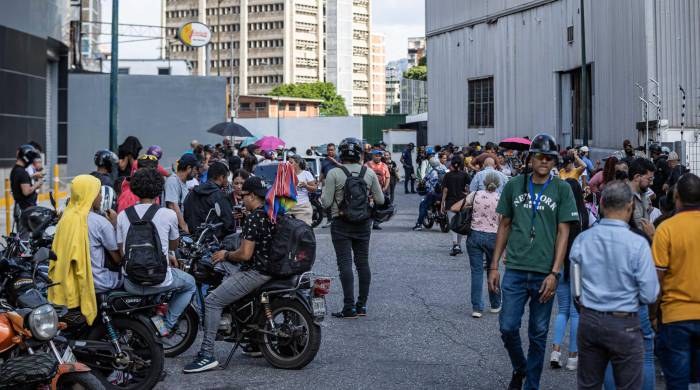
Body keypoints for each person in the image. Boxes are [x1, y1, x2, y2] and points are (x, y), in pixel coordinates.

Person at [487, 134, 579, 390]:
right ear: (530, 158)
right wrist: (493, 266)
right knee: (507, 327)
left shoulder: (562, 188)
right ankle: (520, 366)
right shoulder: (515, 185)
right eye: (539, 156)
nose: (544, 161)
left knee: (538, 335)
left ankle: (532, 385)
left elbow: (564, 232)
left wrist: (555, 272)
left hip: (543, 274)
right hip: (515, 269)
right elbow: (503, 224)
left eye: (550, 158)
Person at [570, 181, 659, 389]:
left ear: (601, 204)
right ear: (630, 206)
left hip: (589, 318)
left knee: (588, 383)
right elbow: (650, 293)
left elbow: (576, 288)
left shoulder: (583, 240)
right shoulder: (638, 243)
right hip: (624, 321)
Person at [183, 176, 275, 373]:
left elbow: (245, 254)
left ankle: (207, 354)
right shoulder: (270, 212)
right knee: (225, 274)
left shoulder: (254, 218)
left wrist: (225, 254)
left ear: (252, 195)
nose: (241, 200)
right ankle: (253, 341)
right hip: (270, 268)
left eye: (243, 196)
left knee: (213, 301)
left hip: (257, 272)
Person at [117, 168, 196, 336]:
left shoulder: (123, 215)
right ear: (159, 189)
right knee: (190, 284)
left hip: (132, 282)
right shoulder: (168, 214)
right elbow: (173, 246)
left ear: (135, 188)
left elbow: (122, 249)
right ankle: (166, 324)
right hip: (160, 280)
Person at [320, 138, 384, 318]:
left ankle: (349, 307)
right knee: (362, 263)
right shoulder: (369, 172)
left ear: (342, 153)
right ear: (359, 154)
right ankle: (362, 306)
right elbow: (380, 200)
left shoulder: (334, 173)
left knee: (345, 263)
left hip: (340, 223)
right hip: (363, 223)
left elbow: (325, 201)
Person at [652, 173, 700, 389]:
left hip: (675, 316)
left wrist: (653, 314)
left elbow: (657, 279)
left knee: (677, 382)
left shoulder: (666, 229)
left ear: (676, 196)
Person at [48, 175, 104, 325]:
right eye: (98, 192)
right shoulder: (91, 221)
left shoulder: (66, 217)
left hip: (62, 287)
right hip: (90, 282)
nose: (101, 196)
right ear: (90, 195)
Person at [549, 179, 589, 371]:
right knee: (576, 312)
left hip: (559, 263)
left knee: (562, 310)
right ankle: (573, 356)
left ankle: (555, 351)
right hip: (579, 266)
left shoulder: (558, 211)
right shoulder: (585, 214)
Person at [452, 172, 501, 318]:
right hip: (494, 237)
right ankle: (495, 304)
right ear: (498, 184)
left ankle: (477, 308)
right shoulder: (501, 198)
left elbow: (454, 208)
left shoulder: (475, 195)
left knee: (476, 272)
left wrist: (469, 208)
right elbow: (505, 221)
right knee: (493, 269)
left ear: (484, 182)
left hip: (474, 236)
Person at [183, 161, 235, 238]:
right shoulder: (219, 196)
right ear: (221, 177)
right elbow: (229, 224)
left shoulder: (192, 192)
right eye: (226, 177)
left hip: (193, 240)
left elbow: (186, 215)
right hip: (215, 243)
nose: (227, 181)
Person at [87, 182, 122, 293]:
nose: (101, 197)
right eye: (98, 193)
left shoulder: (65, 219)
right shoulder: (100, 222)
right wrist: (115, 225)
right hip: (99, 281)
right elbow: (118, 259)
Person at [442, 156, 471, 255]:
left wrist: (442, 203)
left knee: (452, 224)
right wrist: (467, 193)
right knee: (460, 224)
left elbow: (445, 190)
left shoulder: (447, 175)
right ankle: (458, 244)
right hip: (462, 202)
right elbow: (470, 185)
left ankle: (455, 245)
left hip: (450, 202)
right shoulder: (464, 174)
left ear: (452, 164)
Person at [165, 153, 199, 233]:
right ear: (188, 168)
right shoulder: (173, 181)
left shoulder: (184, 183)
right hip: (176, 231)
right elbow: (173, 205)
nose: (196, 172)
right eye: (195, 169)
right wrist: (185, 227)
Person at [412, 158, 445, 231]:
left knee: (423, 206)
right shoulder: (444, 169)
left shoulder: (431, 172)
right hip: (444, 193)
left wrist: (421, 184)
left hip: (432, 194)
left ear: (431, 164)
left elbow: (424, 180)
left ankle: (419, 224)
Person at [10, 144, 43, 213]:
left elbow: (20, 181)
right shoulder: (22, 172)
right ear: (26, 158)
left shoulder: (15, 170)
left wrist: (31, 177)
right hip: (27, 210)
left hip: (21, 208)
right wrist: (37, 184)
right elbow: (26, 192)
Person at [288, 155, 317, 225]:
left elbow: (314, 189)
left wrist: (306, 186)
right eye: (288, 162)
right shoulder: (286, 174)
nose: (288, 164)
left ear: (297, 163)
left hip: (302, 207)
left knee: (304, 231)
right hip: (288, 208)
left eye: (291, 162)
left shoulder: (306, 174)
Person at [627, 158, 655, 229]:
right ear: (637, 177)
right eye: (649, 179)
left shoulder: (644, 195)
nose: (652, 183)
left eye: (652, 179)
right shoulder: (624, 197)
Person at [366, 150, 390, 230]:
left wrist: (385, 187)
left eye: (379, 156)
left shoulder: (384, 165)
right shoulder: (367, 165)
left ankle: (376, 223)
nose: (378, 157)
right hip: (369, 191)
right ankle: (367, 223)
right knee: (368, 207)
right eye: (376, 155)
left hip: (380, 190)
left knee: (378, 208)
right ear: (373, 156)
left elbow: (387, 177)